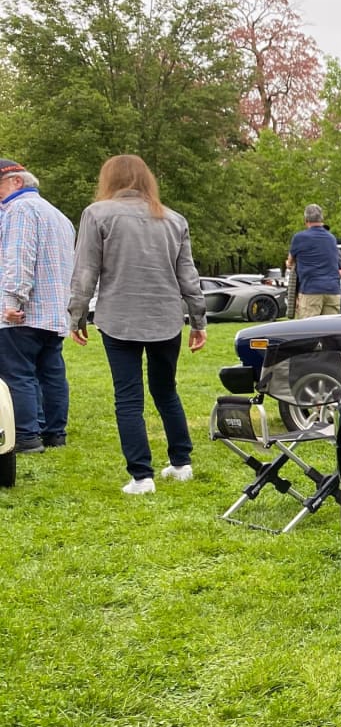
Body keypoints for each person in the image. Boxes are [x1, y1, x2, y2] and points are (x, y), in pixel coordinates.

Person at [67, 155, 206, 495]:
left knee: (128, 397)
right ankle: (181, 463)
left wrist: (77, 315)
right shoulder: (174, 219)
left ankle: (142, 477)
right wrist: (198, 320)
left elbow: (86, 271)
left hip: (119, 318)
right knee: (165, 389)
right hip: (166, 319)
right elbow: (188, 276)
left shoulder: (96, 214)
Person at [0, 161, 75, 453]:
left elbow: (19, 259)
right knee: (52, 374)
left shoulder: (19, 211)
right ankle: (54, 434)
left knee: (17, 374)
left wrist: (11, 302)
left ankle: (27, 437)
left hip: (23, 312)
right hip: (54, 313)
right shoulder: (59, 216)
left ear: (17, 182)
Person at [287, 203, 341, 318]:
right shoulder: (331, 238)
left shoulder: (299, 238)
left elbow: (290, 261)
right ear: (322, 219)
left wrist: (290, 264)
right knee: (330, 332)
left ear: (306, 220)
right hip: (332, 290)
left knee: (309, 331)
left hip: (310, 290)